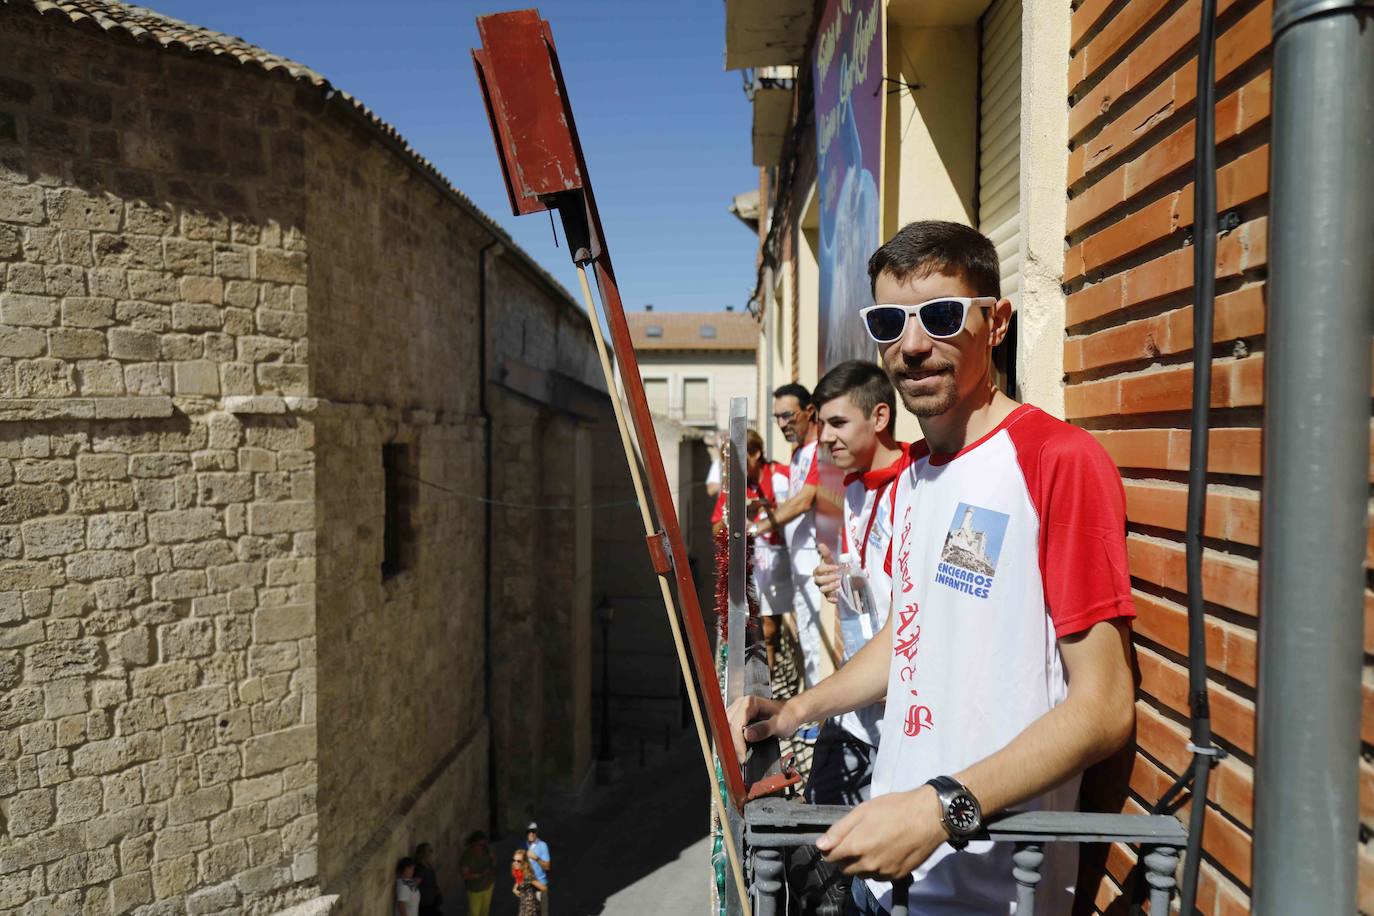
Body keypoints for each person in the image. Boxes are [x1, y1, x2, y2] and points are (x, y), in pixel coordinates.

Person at [730, 220, 1137, 914]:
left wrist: (940, 809)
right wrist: (795, 710)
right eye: (890, 322)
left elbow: (1104, 705)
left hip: (990, 893)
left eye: (942, 316)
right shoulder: (914, 476)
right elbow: (908, 637)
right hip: (886, 872)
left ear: (996, 323)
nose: (913, 345)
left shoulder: (1057, 460)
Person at [753, 382, 826, 690]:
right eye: (777, 417)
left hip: (817, 565)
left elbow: (804, 501)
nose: (782, 424)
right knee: (807, 644)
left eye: (787, 415)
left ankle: (823, 712)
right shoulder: (797, 454)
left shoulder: (823, 448)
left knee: (817, 647)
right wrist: (764, 510)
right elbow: (792, 504)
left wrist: (755, 528)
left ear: (809, 411)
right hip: (799, 565)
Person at [710, 429, 795, 633]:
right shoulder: (733, 488)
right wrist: (737, 513)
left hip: (787, 562)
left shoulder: (783, 475)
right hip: (751, 566)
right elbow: (716, 529)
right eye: (727, 463)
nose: (732, 468)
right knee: (756, 628)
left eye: (737, 461)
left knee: (771, 629)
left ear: (755, 453)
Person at [459, 831, 496, 916]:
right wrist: (480, 874)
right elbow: (465, 876)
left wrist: (492, 861)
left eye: (484, 844)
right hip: (475, 890)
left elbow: (494, 862)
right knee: (474, 913)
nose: (483, 847)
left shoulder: (486, 850)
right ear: (473, 843)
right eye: (480, 845)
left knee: (485, 911)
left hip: (488, 886)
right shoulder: (467, 857)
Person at [525, 822, 551, 916]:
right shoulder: (524, 845)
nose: (531, 833)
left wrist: (536, 858)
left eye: (533, 831)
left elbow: (547, 867)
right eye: (528, 831)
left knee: (543, 913)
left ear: (537, 832)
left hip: (540, 885)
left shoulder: (542, 845)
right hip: (528, 886)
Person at [412, 842, 443, 916]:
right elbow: (413, 887)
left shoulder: (429, 866)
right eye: (429, 850)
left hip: (432, 902)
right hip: (424, 905)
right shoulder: (420, 870)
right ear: (423, 853)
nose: (432, 852)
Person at [510, 849, 543, 916]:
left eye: (519, 861)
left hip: (530, 906)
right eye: (514, 860)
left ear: (524, 862)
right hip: (523, 904)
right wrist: (514, 889)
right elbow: (518, 880)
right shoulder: (519, 872)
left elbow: (543, 888)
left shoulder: (528, 876)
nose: (515, 862)